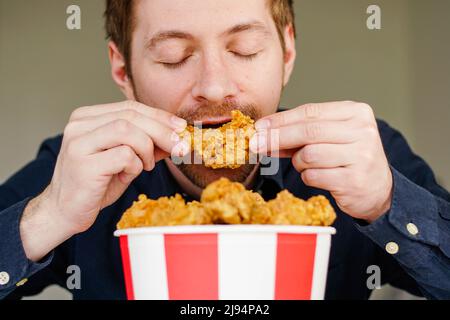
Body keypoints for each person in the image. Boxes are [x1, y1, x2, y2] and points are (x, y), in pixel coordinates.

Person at [0, 0, 449, 300]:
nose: (214, 86)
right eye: (174, 56)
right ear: (122, 69)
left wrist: (390, 203)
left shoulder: (366, 156)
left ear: (287, 51)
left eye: (245, 49)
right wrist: (47, 217)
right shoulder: (76, 169)